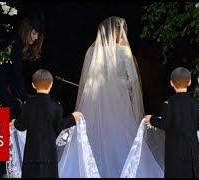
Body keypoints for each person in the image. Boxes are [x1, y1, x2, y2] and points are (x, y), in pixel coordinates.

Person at [57, 16, 164, 178]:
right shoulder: (123, 51)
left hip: (94, 103)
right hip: (119, 103)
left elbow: (86, 79)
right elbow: (133, 79)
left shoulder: (91, 51)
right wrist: (121, 85)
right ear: (117, 31)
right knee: (122, 134)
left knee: (92, 134)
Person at [11, 69, 83, 178]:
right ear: (51, 84)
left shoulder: (27, 104)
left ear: (33, 85)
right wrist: (72, 118)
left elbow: (22, 126)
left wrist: (14, 122)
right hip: (48, 152)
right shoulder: (56, 105)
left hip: (32, 152)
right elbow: (59, 126)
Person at [143, 67, 199, 178]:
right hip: (192, 149)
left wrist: (151, 119)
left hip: (175, 149)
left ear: (172, 83)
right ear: (190, 82)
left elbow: (165, 124)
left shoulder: (168, 104)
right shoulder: (196, 104)